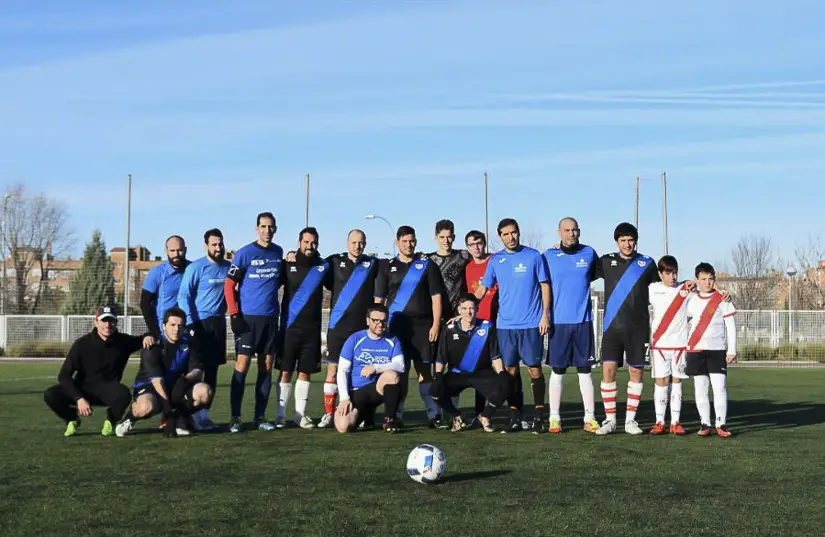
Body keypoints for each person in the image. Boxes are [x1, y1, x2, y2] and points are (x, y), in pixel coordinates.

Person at [474, 218, 552, 434]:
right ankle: (515, 418)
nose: (511, 237)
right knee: (509, 372)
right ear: (500, 237)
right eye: (506, 234)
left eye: (514, 232)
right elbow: (482, 290)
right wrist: (464, 311)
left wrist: (545, 316)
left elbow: (545, 286)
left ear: (519, 233)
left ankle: (539, 418)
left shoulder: (533, 256)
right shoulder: (496, 260)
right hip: (505, 326)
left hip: (530, 325)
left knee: (535, 369)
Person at [43, 305, 154, 437]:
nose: (107, 325)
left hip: (107, 389)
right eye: (104, 320)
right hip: (82, 388)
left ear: (116, 322)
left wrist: (148, 336)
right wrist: (78, 398)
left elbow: (144, 338)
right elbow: (64, 375)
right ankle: (72, 419)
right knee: (51, 394)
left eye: (111, 321)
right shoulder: (82, 344)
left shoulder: (123, 341)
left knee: (124, 394)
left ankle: (110, 421)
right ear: (96, 322)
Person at [592, 222, 659, 436]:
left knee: (636, 371)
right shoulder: (605, 261)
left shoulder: (647, 263)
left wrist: (686, 285)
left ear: (635, 241)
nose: (627, 244)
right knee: (608, 371)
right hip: (612, 327)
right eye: (623, 240)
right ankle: (610, 420)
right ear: (616, 242)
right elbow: (579, 273)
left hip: (638, 328)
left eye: (630, 240)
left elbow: (662, 288)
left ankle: (630, 421)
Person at [318, 229, 385, 428]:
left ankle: (364, 415)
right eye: (354, 242)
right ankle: (329, 414)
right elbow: (315, 270)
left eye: (361, 242)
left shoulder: (373, 264)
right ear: (347, 242)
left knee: (364, 373)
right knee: (333, 369)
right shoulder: (333, 262)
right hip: (337, 327)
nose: (358, 246)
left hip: (362, 331)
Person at [224, 212, 284, 433]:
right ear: (256, 228)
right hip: (248, 320)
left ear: (275, 229)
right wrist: (234, 314)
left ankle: (260, 417)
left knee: (266, 367)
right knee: (242, 365)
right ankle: (235, 418)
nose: (267, 230)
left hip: (270, 319)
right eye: (263, 226)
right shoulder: (244, 253)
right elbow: (229, 286)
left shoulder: (278, 253)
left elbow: (275, 283)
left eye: (271, 227)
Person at [379, 225, 444, 427]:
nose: (409, 244)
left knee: (425, 370)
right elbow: (378, 300)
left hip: (423, 327)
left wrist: (435, 324)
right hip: (396, 327)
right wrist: (381, 327)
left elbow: (436, 297)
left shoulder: (427, 264)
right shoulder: (387, 267)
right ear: (397, 242)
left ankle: (433, 414)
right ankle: (397, 415)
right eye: (404, 241)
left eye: (412, 240)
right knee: (401, 371)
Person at [115, 307, 213, 437]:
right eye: (172, 325)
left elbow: (198, 370)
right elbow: (157, 381)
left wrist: (185, 381)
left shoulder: (189, 343)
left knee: (205, 392)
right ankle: (130, 418)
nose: (176, 329)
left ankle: (181, 418)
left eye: (180, 325)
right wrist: (168, 411)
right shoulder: (152, 347)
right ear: (164, 326)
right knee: (146, 407)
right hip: (151, 388)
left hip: (176, 387)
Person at [542, 217, 600, 434]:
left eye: (575, 230)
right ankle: (554, 418)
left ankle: (590, 418)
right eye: (567, 230)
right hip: (558, 323)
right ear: (559, 232)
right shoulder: (548, 256)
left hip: (583, 323)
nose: (571, 233)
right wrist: (544, 315)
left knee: (585, 371)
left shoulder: (589, 253)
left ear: (579, 231)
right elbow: (542, 286)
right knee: (557, 371)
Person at [275, 227, 329, 429]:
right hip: (289, 328)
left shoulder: (323, 267)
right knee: (286, 371)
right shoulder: (287, 265)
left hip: (312, 330)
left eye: (313, 242)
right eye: (306, 242)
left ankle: (300, 415)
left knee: (305, 372)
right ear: (299, 243)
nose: (310, 246)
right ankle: (280, 416)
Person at [177, 228, 230, 432]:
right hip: (198, 324)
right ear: (206, 246)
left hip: (218, 323)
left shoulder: (227, 267)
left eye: (220, 244)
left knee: (213, 371)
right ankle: (187, 413)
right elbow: (184, 296)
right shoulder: (196, 267)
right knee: (197, 371)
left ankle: (204, 416)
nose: (218, 248)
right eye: (214, 244)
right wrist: (190, 323)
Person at [431, 293, 508, 432]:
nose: (468, 312)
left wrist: (502, 373)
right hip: (458, 374)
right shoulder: (449, 329)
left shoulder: (487, 327)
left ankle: (485, 416)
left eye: (471, 308)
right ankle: (457, 416)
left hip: (482, 373)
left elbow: (495, 356)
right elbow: (441, 358)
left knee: (507, 385)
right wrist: (437, 375)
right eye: (464, 308)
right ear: (459, 311)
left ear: (477, 309)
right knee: (434, 390)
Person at [334, 304, 404, 433]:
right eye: (375, 320)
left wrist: (375, 368)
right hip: (355, 392)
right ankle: (367, 415)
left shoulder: (393, 340)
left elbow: (400, 365)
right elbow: (342, 370)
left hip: (375, 389)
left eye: (383, 321)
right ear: (367, 321)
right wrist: (344, 398)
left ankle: (390, 420)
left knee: (392, 375)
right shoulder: (355, 339)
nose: (380, 324)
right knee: (343, 427)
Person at [686, 262, 737, 437]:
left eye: (710, 279)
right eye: (703, 279)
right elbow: (681, 322)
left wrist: (732, 350)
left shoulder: (722, 299)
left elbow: (730, 325)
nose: (707, 282)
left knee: (719, 388)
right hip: (696, 350)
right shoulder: (690, 299)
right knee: (700, 388)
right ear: (697, 280)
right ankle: (705, 424)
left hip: (717, 350)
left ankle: (721, 424)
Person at [648, 255, 696, 435]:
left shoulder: (686, 289)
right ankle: (659, 421)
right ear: (660, 274)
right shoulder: (652, 289)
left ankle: (675, 422)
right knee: (660, 382)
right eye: (668, 273)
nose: (672, 277)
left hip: (679, 345)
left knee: (677, 382)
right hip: (659, 345)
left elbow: (704, 293)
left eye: (674, 273)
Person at [463, 230, 499, 427]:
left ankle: (516, 414)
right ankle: (480, 415)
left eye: (479, 243)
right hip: (480, 326)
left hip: (501, 322)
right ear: (467, 247)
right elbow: (471, 298)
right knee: (481, 370)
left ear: (484, 243)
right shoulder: (468, 268)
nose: (476, 247)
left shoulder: (496, 260)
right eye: (471, 244)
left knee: (508, 368)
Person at [140, 235, 190, 339]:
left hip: (189, 330)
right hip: (164, 333)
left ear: (185, 250)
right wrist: (154, 332)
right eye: (172, 250)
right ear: (166, 251)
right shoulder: (157, 273)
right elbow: (145, 303)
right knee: (149, 355)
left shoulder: (193, 269)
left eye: (180, 250)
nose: (176, 254)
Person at [428, 219, 471, 317]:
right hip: (435, 313)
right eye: (442, 237)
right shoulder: (428, 260)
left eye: (449, 237)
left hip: (459, 313)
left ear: (454, 237)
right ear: (436, 238)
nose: (446, 241)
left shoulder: (464, 256)